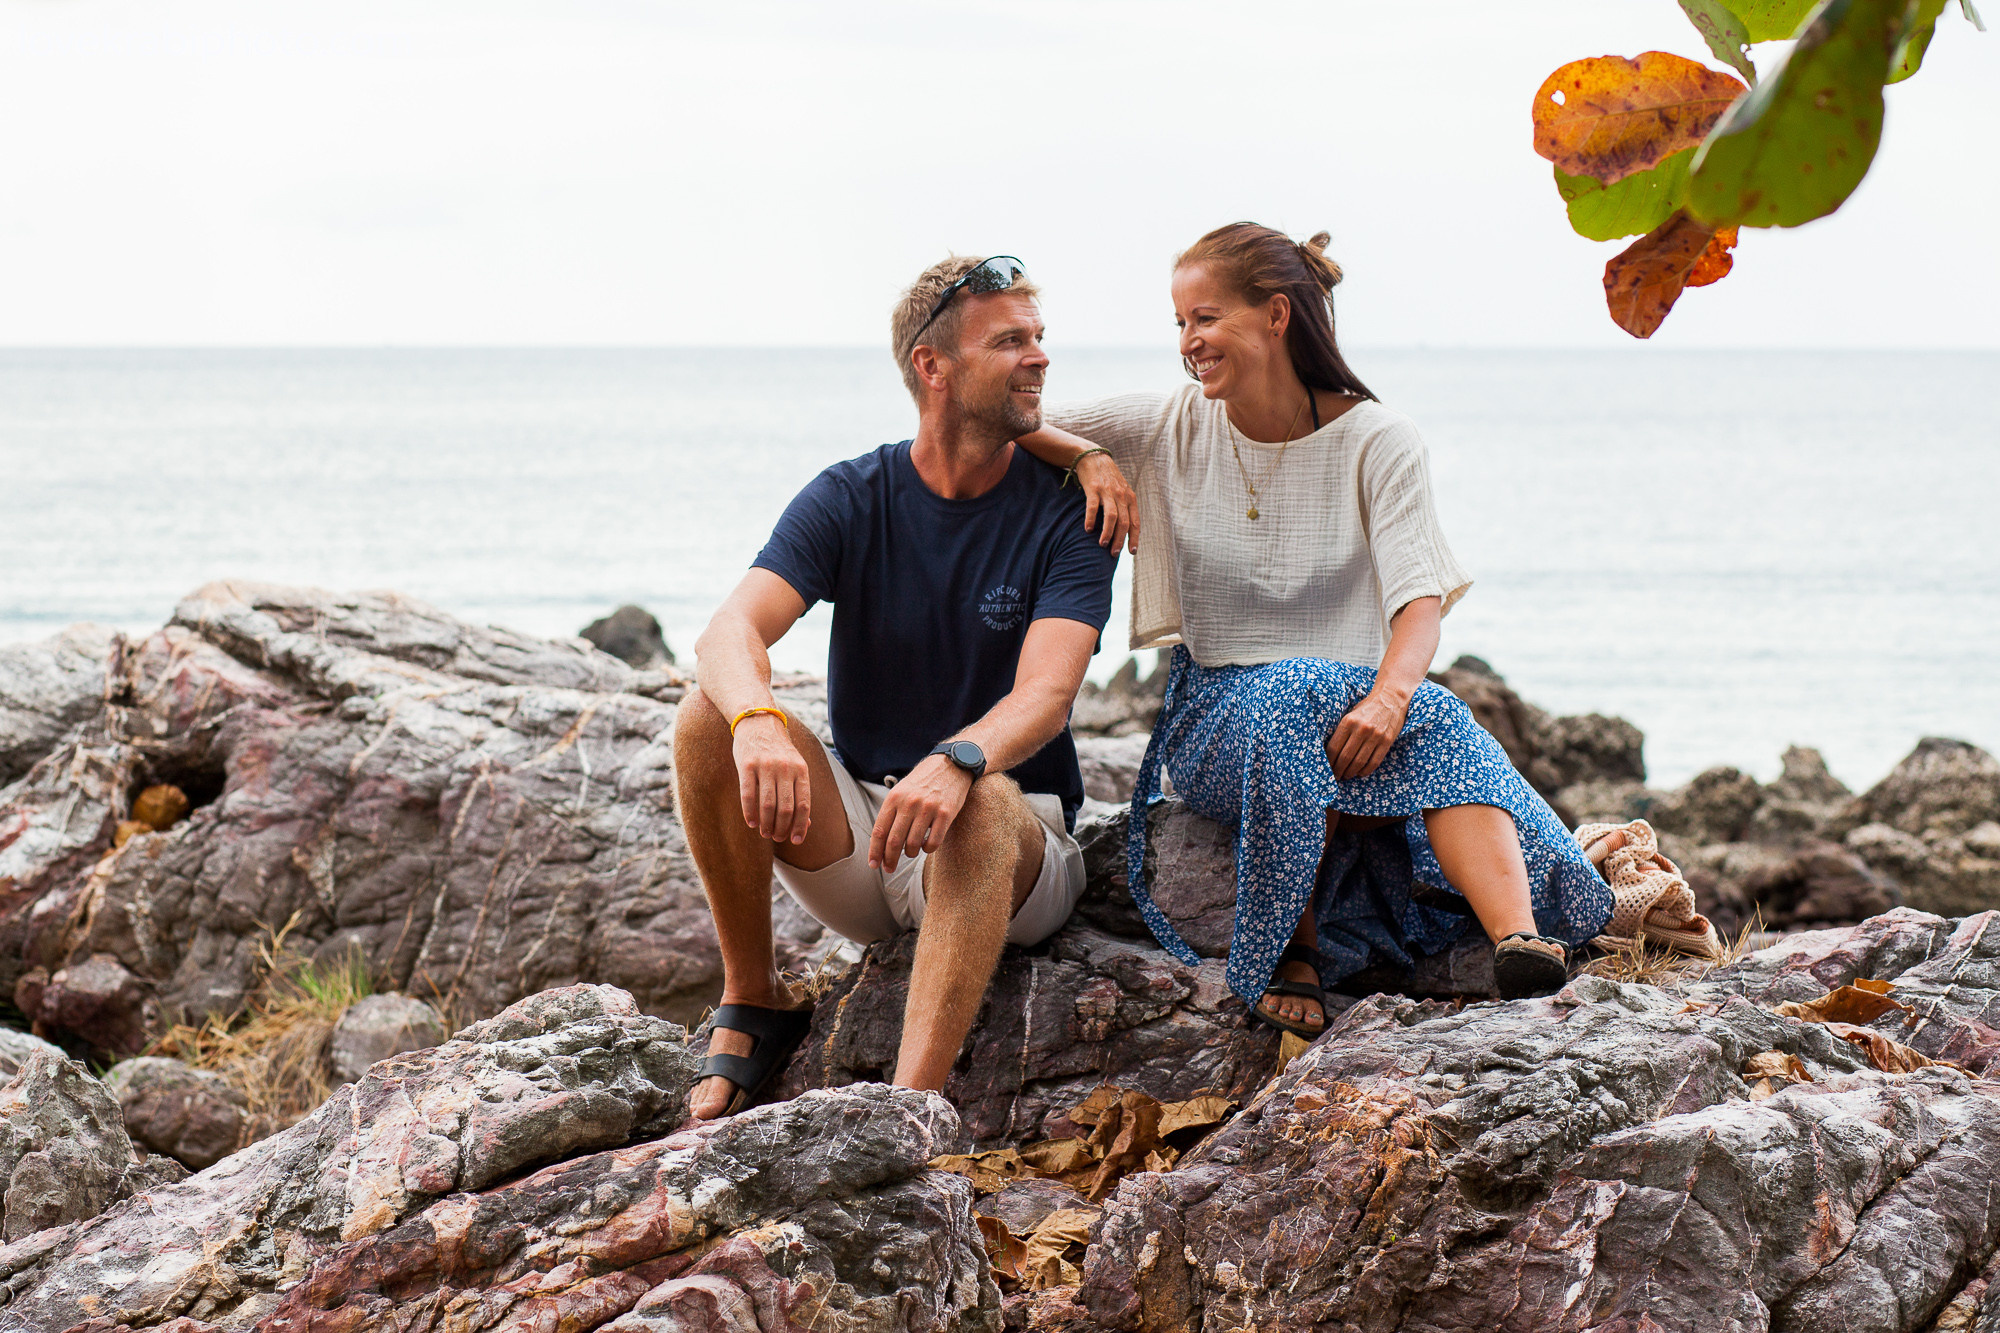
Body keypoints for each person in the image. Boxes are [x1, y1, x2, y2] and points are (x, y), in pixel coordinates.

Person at [1016, 222, 1617, 1033]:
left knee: (1451, 731)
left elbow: (1419, 602)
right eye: (1180, 324)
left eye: (1205, 318)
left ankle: (1521, 944)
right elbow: (1006, 418)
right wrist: (1088, 458)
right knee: (1295, 689)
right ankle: (1285, 949)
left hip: (1358, 717)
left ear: (1275, 315)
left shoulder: (1380, 439)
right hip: (1217, 714)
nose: (1188, 342)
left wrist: (1391, 699)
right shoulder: (1169, 424)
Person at [674, 254, 1118, 1119]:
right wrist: (757, 719)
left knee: (987, 799)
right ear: (934, 366)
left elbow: (1048, 694)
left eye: (1039, 337)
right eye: (1011, 341)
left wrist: (958, 760)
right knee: (705, 720)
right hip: (869, 843)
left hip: (1011, 847)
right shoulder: (853, 495)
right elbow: (727, 633)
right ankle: (753, 992)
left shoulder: (1069, 511)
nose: (1040, 357)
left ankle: (905, 1116)